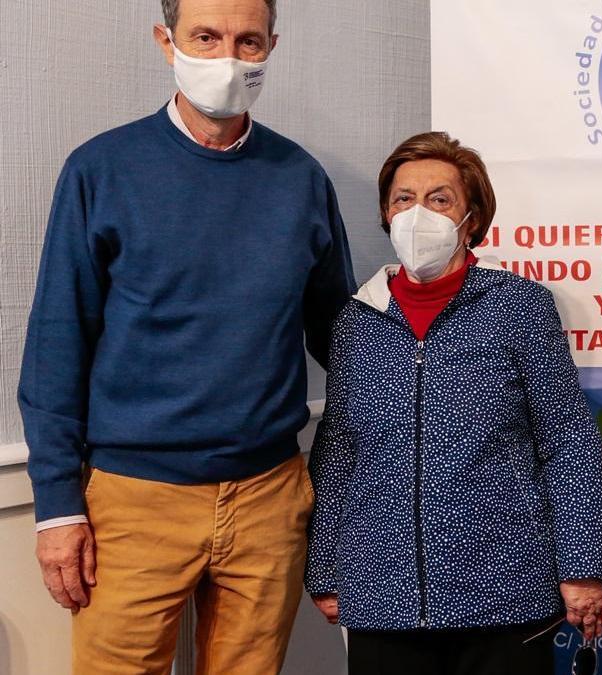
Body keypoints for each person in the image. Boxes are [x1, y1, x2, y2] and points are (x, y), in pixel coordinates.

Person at [18, 0, 354, 672]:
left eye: (247, 40)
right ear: (165, 41)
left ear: (271, 46)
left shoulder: (301, 180)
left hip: (268, 496)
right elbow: (58, 343)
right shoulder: (102, 170)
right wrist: (56, 507)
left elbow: (344, 344)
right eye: (205, 36)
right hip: (135, 500)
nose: (228, 57)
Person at [304, 131, 602, 674]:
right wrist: (326, 568)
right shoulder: (357, 319)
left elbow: (568, 440)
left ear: (471, 217)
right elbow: (339, 452)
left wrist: (582, 567)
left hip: (505, 588)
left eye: (439, 198)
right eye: (403, 199)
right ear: (385, 212)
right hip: (383, 593)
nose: (417, 213)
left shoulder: (520, 306)